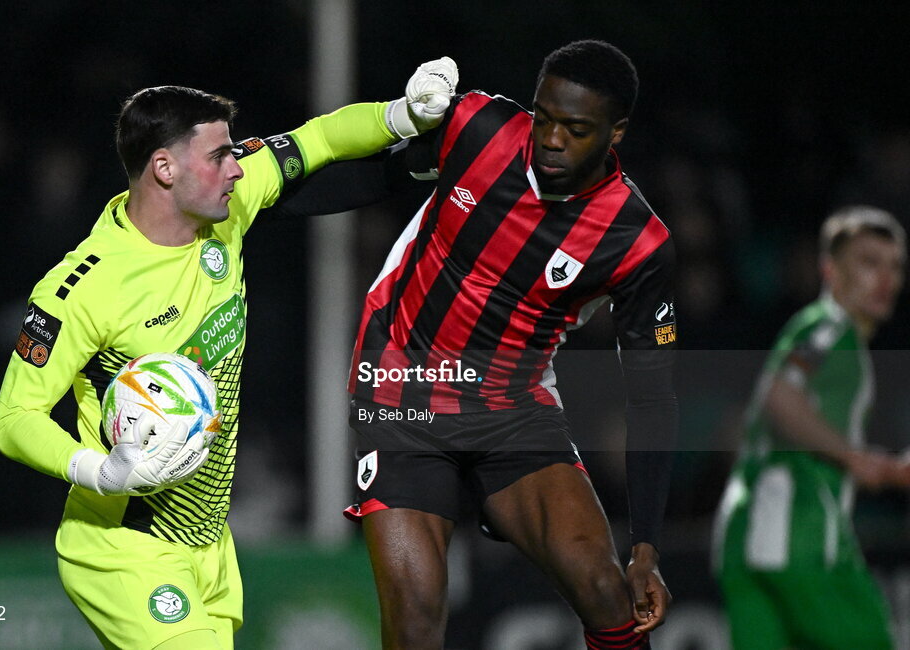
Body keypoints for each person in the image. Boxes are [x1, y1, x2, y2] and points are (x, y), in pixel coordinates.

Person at [0, 57, 458, 650]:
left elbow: (317, 139)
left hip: (209, 542)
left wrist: (401, 116)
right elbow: (14, 420)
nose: (237, 168)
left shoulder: (224, 210)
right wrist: (99, 471)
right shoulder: (80, 289)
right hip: (125, 548)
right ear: (164, 167)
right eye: (219, 156)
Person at [282, 39, 676, 649]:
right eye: (544, 118)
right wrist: (242, 201)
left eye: (575, 129)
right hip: (400, 394)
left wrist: (646, 548)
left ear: (615, 132)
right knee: (414, 619)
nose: (549, 140)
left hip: (510, 411)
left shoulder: (636, 241)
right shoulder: (478, 129)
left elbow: (652, 398)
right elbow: (371, 177)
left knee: (605, 592)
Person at [713, 206, 910, 649]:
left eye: (895, 266)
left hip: (745, 534)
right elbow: (782, 397)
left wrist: (882, 468)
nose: (886, 279)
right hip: (796, 534)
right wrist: (853, 457)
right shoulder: (828, 329)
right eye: (869, 262)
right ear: (830, 270)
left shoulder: (818, 335)